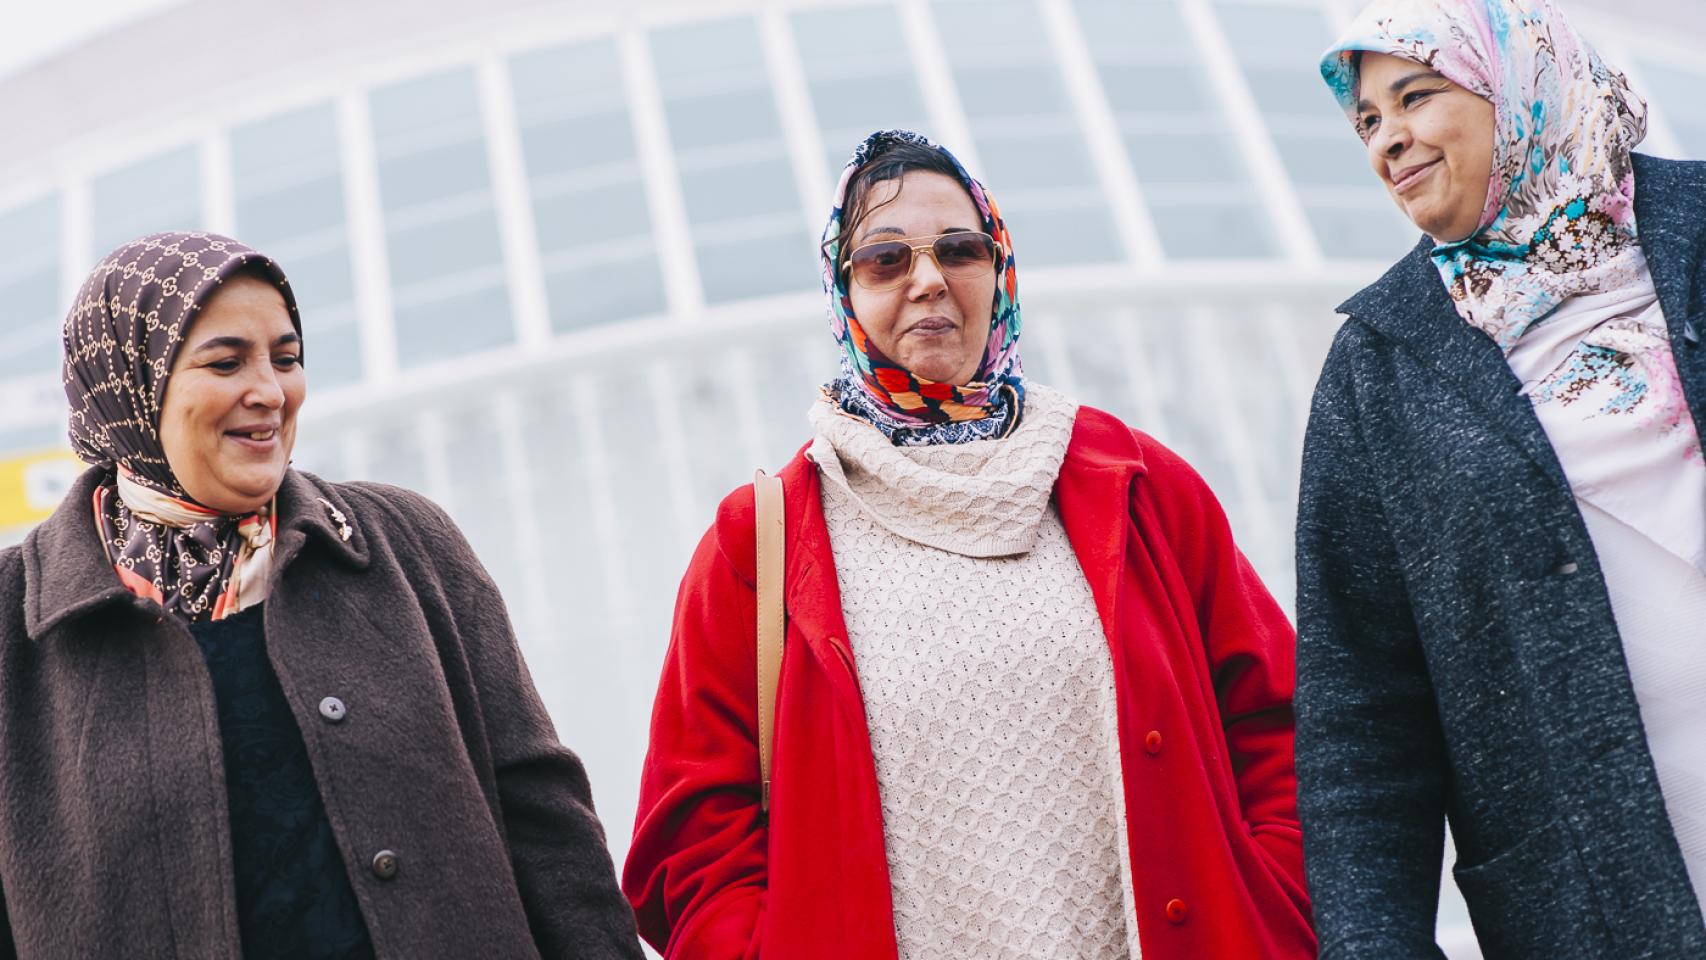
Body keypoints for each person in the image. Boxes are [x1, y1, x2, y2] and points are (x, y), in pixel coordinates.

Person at [622, 130, 1315, 960]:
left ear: (1000, 269)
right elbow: (693, 842)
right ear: (841, 290)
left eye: (960, 249)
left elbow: (1283, 727)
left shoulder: (1138, 485)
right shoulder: (758, 544)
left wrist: (1270, 902)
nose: (928, 280)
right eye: (885, 259)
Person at [0, 232, 643, 959]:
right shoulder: (12, 622)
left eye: (286, 357)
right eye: (225, 362)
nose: (270, 393)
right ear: (129, 384)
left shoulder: (409, 542)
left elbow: (544, 819)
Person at [1295, 1, 1706, 956]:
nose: (1389, 138)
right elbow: (1360, 715)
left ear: (1517, 83)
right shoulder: (1378, 368)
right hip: (1593, 902)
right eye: (1366, 121)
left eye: (1416, 95)